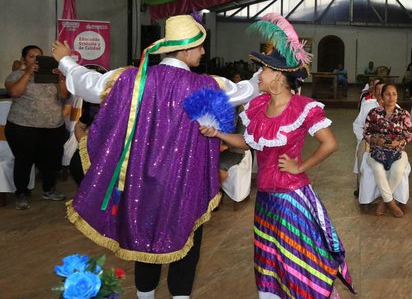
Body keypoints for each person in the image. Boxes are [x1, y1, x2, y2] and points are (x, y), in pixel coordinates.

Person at [53, 15, 260, 299]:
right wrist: (267, 70)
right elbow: (246, 91)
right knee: (187, 237)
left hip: (140, 180)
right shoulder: (207, 85)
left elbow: (89, 83)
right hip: (184, 181)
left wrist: (65, 60)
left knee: (143, 236)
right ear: (185, 50)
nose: (203, 52)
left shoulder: (131, 79)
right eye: (200, 47)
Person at [199, 14, 355, 298]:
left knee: (296, 259)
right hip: (266, 199)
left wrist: (300, 165)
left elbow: (330, 143)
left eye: (264, 70)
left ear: (280, 78)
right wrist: (218, 134)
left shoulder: (301, 107)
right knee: (269, 258)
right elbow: (248, 142)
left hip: (289, 198)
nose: (258, 74)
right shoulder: (258, 106)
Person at [4, 45, 70, 210]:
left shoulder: (52, 76)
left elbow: (64, 95)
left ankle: (49, 190)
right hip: (23, 126)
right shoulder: (17, 74)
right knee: (24, 161)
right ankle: (22, 193)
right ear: (24, 60)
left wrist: (61, 78)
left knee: (51, 161)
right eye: (31, 56)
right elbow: (15, 93)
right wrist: (27, 73)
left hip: (53, 126)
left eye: (39, 56)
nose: (36, 59)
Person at [363, 83, 412, 218]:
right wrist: (376, 141)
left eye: (394, 94)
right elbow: (366, 133)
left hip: (397, 151)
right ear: (382, 96)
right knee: (378, 170)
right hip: (376, 150)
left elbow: (408, 135)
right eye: (388, 94)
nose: (391, 97)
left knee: (398, 170)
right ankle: (391, 202)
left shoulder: (403, 114)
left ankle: (384, 202)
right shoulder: (374, 113)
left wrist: (399, 142)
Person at [353, 80, 385, 196]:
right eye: (378, 89)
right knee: (361, 153)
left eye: (384, 89)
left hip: (386, 143)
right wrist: (363, 139)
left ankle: (386, 192)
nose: (381, 92)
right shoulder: (368, 105)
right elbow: (357, 125)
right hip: (367, 141)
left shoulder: (394, 106)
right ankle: (361, 188)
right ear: (374, 91)